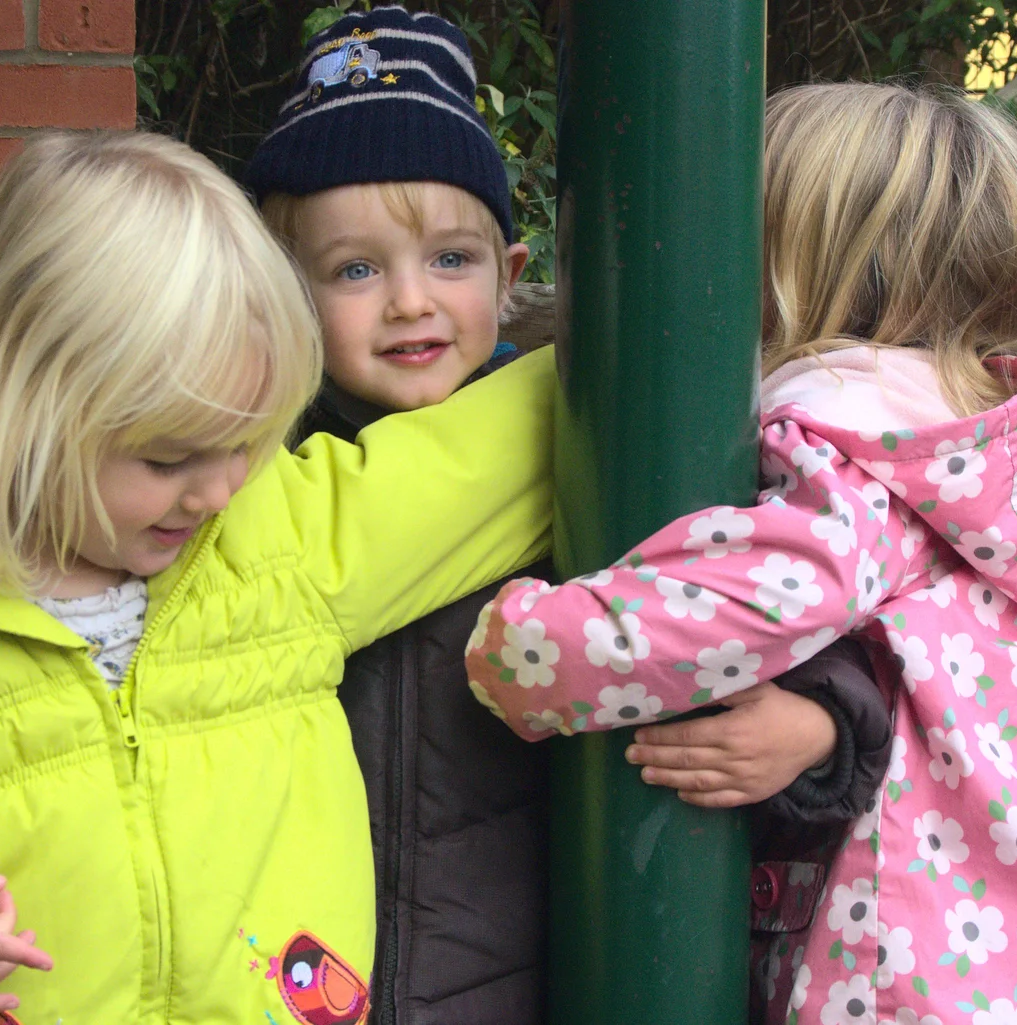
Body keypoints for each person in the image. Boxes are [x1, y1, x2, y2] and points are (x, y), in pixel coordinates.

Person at [0, 130, 560, 1025]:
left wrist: (654, 317)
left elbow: (472, 469)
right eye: (170, 456)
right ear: (18, 408)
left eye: (248, 444)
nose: (218, 488)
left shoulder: (270, 537)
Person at [466, 83, 1017, 1025]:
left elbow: (733, 602)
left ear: (776, 271)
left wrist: (519, 650)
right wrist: (825, 730)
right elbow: (949, 686)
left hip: (934, 995)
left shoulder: (860, 442)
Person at [246, 10, 892, 1023]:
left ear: (510, 278)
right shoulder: (261, 474)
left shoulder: (594, 449)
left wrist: (816, 726)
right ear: (285, 295)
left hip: (526, 980)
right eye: (355, 270)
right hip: (309, 973)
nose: (410, 301)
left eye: (449, 260)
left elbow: (739, 594)